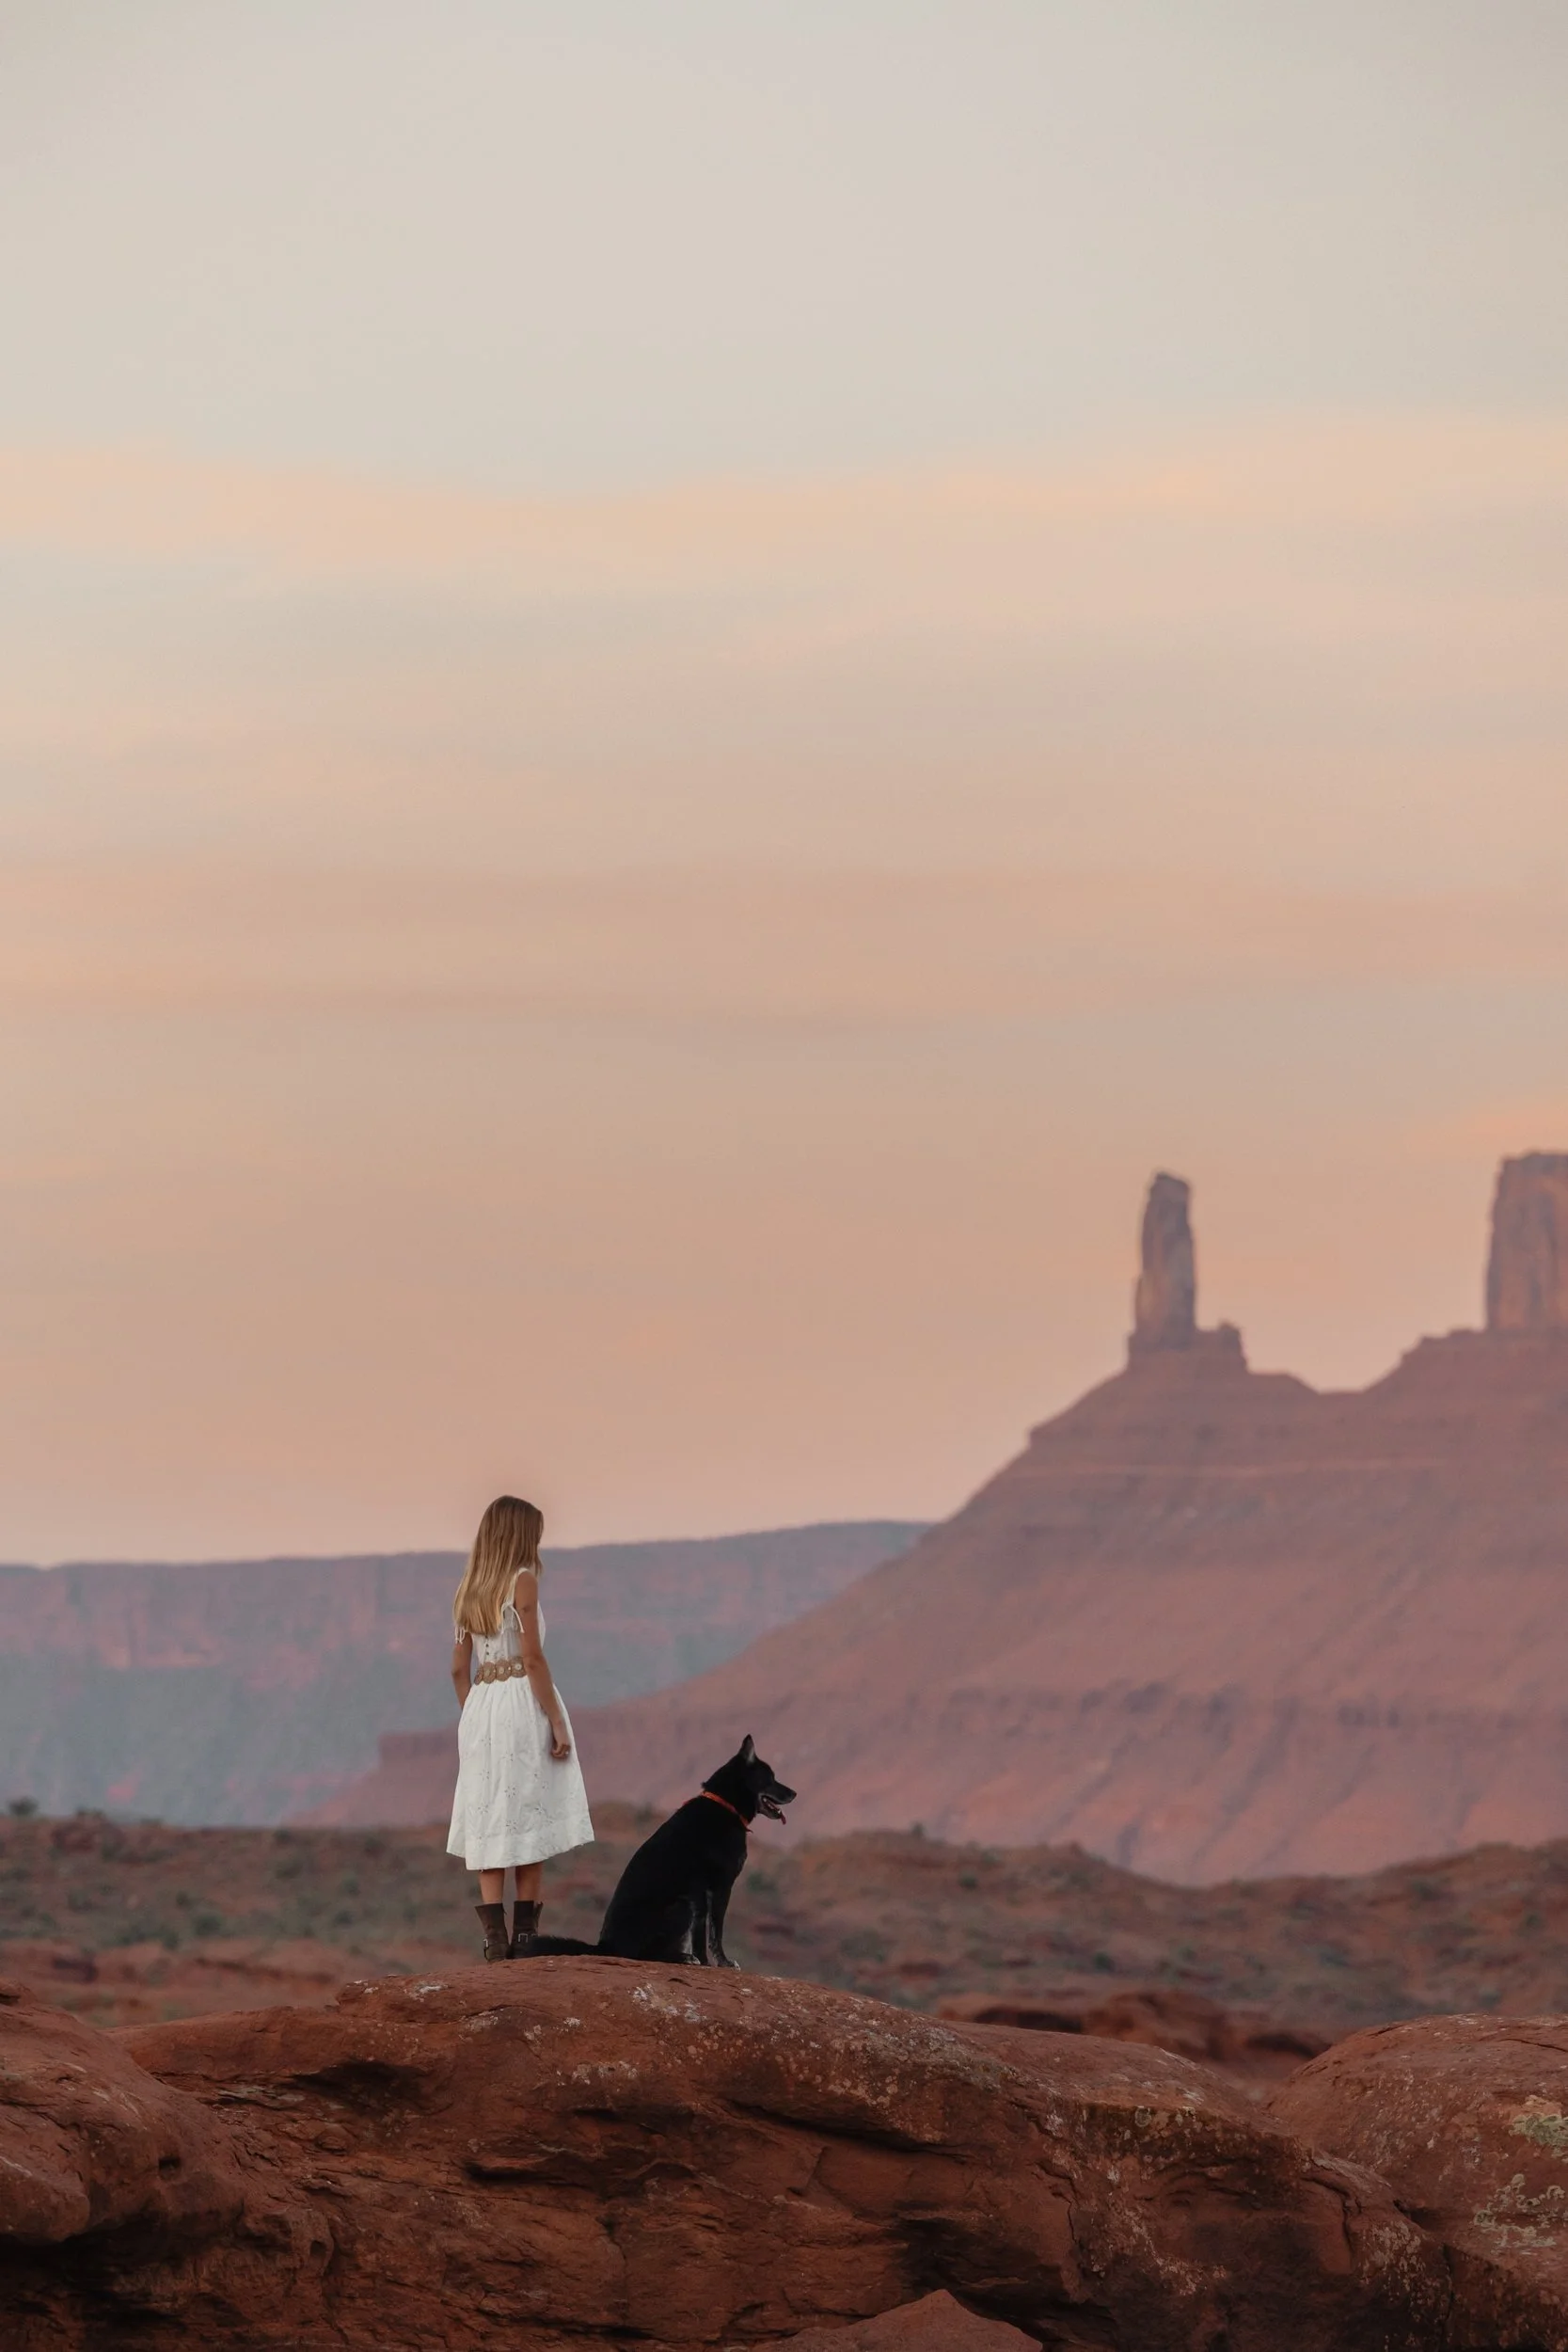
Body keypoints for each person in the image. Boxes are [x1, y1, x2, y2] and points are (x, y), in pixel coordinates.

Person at [446, 1494, 593, 1960]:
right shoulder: (522, 1582)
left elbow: (456, 1669)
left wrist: (475, 1715)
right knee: (528, 1810)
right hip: (519, 1702)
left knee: (490, 1817)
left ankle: (493, 1941)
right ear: (521, 1534)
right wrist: (555, 1719)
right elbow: (532, 1658)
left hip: (482, 1706)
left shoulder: (468, 1590)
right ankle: (526, 1937)